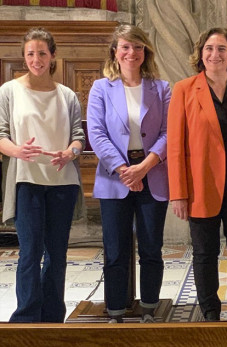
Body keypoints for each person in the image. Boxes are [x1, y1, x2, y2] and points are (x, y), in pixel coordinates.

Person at [167, 28, 227, 321]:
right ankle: (210, 311)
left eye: (222, 49)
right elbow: (175, 146)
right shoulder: (184, 89)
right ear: (200, 54)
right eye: (209, 48)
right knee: (204, 255)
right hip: (201, 187)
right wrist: (178, 193)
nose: (215, 54)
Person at [86, 24, 170, 323]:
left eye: (137, 47)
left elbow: (168, 131)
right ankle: (116, 311)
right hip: (114, 179)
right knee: (115, 250)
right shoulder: (101, 88)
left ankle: (149, 309)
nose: (131, 52)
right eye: (125, 46)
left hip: (153, 175)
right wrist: (124, 170)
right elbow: (96, 132)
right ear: (115, 52)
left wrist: (145, 166)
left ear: (145, 51)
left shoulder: (161, 88)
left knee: (151, 248)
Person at [0, 27, 85, 322]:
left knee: (57, 254)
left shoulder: (67, 95)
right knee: (29, 252)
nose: (36, 60)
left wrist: (70, 153)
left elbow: (78, 137)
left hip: (62, 182)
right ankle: (25, 318)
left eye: (42, 54)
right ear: (24, 57)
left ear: (53, 57)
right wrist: (17, 151)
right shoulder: (9, 91)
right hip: (27, 181)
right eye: (30, 54)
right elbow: (1, 135)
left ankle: (52, 319)